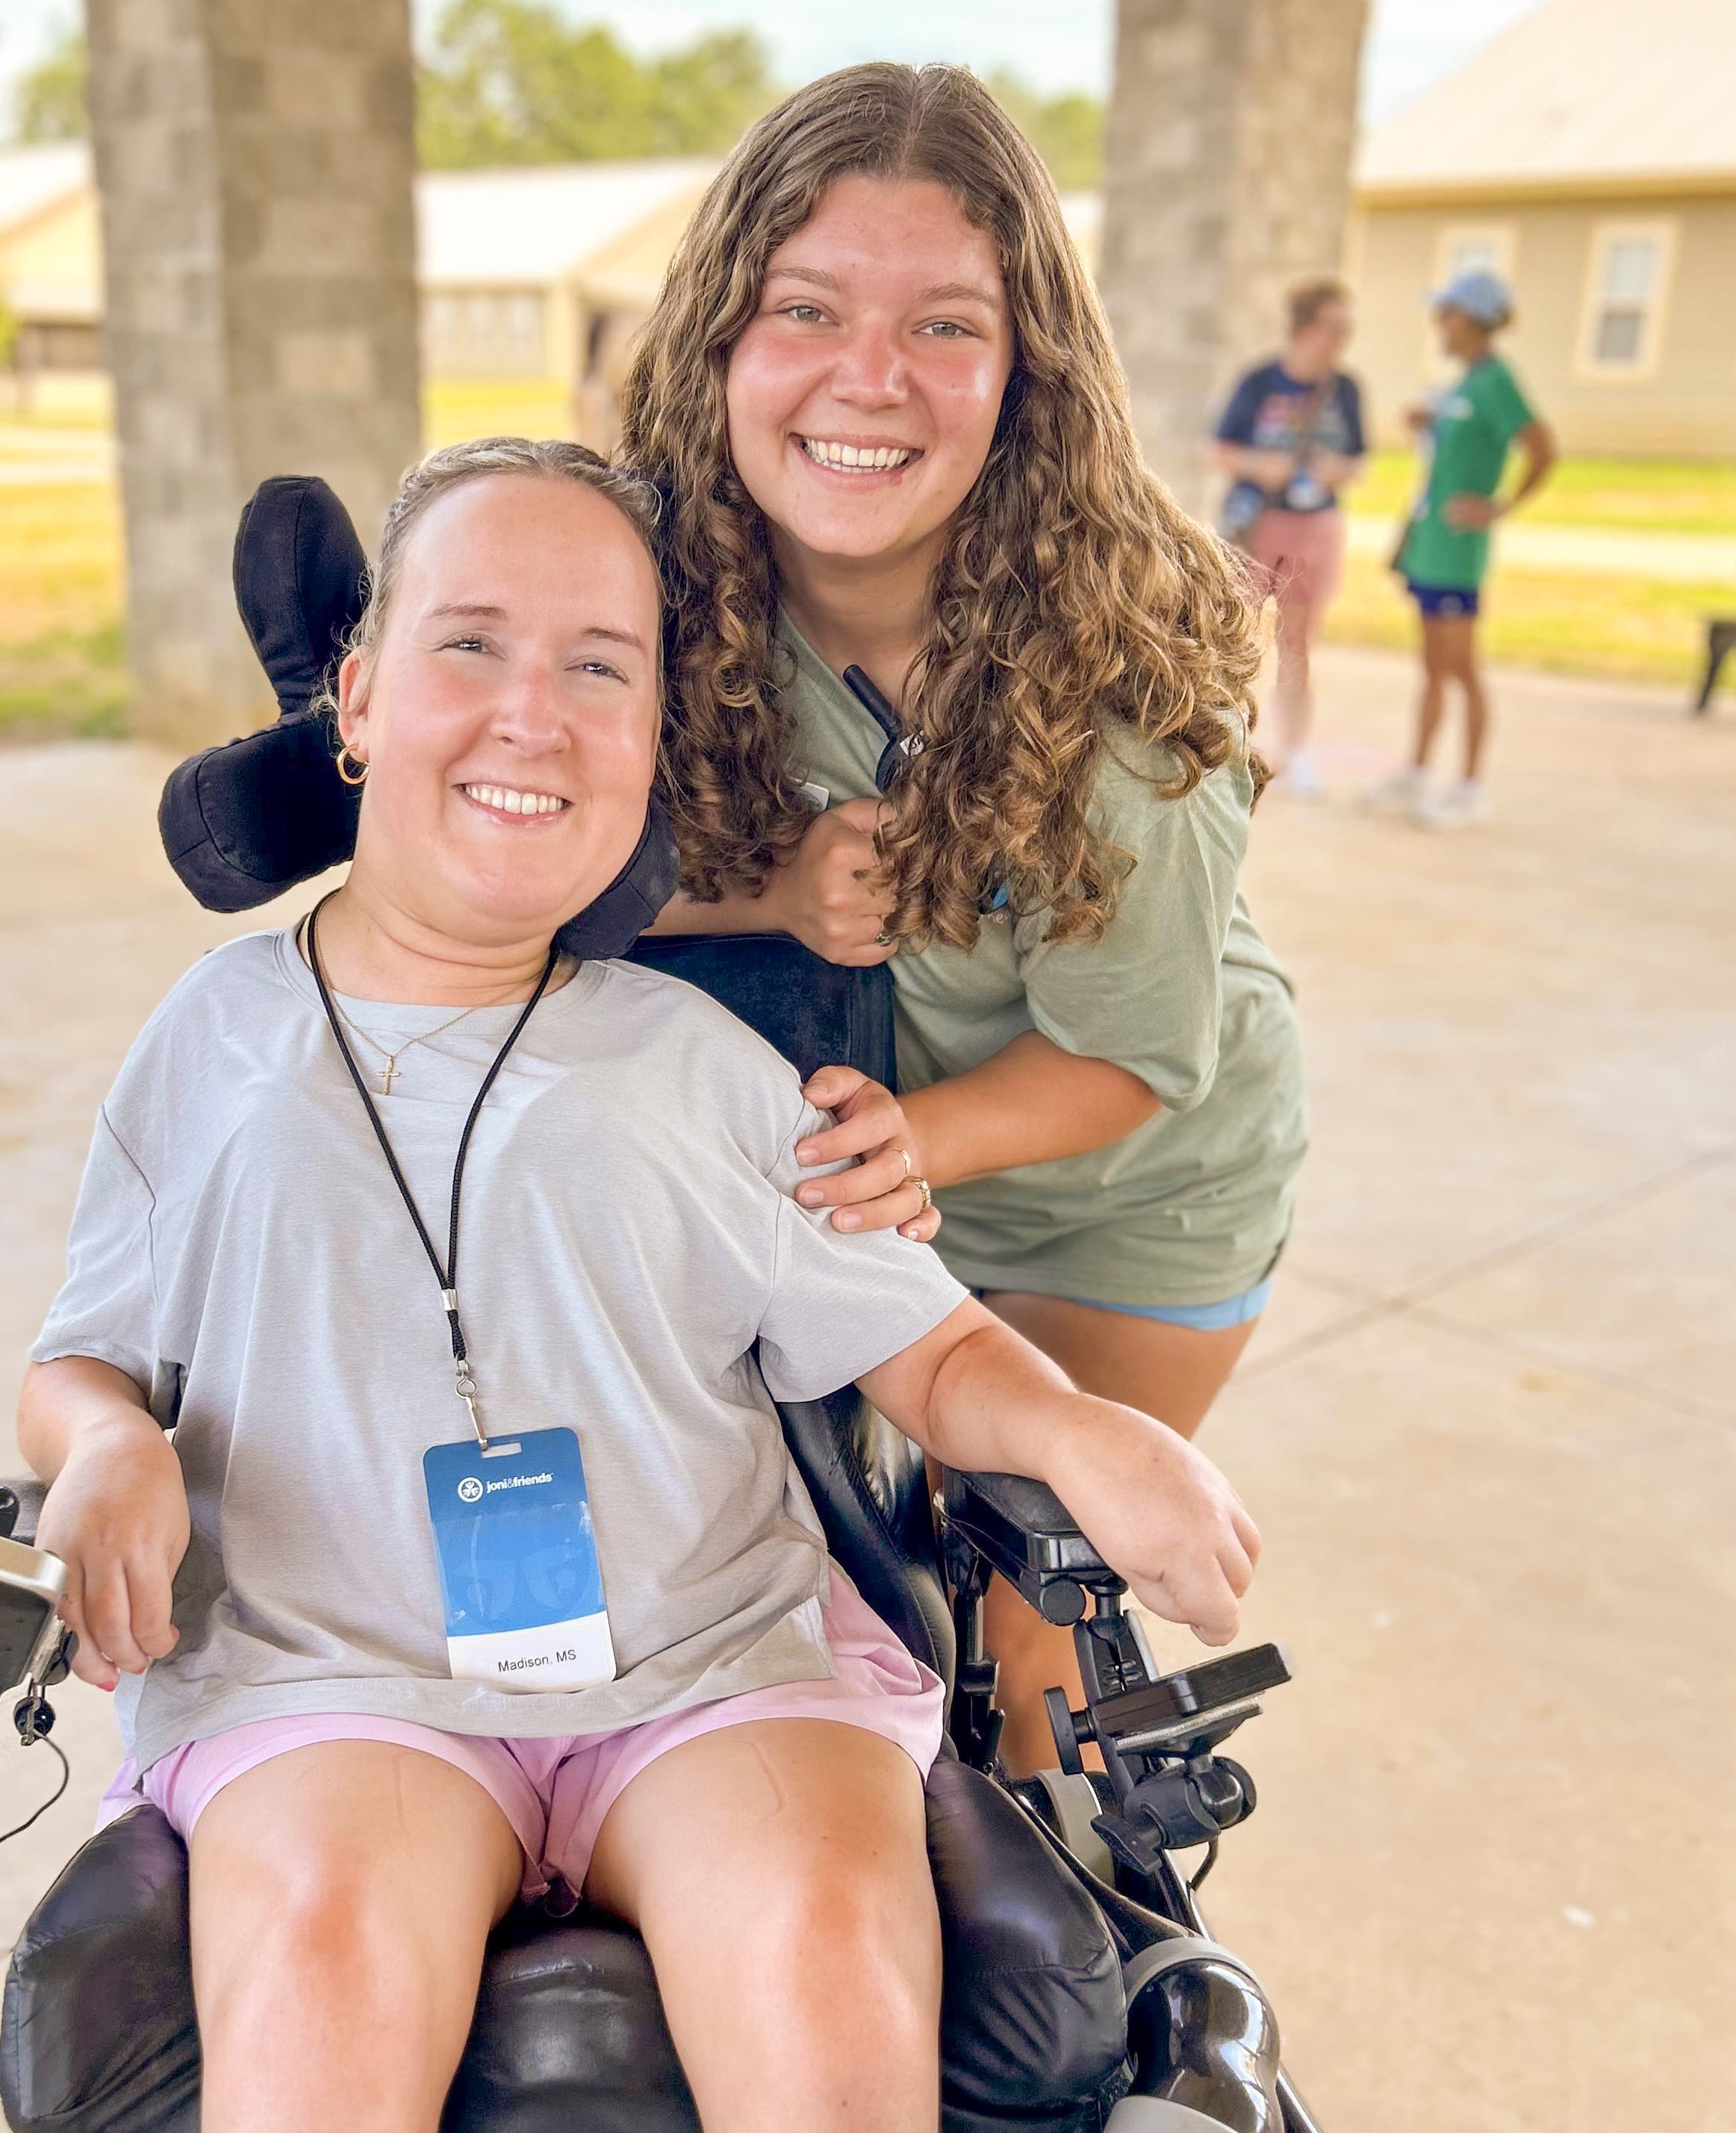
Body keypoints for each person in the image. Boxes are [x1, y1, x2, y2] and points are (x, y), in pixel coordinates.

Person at [20, 439, 1261, 2133]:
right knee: (319, 1957)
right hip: (334, 1667)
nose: (536, 709)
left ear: (652, 744)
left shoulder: (705, 1066)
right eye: (473, 645)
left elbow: (925, 1340)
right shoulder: (214, 1044)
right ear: (359, 694)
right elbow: (81, 1357)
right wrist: (105, 1447)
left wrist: (1084, 1433)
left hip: (706, 1659)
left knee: (822, 1933)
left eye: (600, 667)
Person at [617, 64, 1306, 1778]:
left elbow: (1133, 1060)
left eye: (944, 325)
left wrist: (905, 1145)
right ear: (721, 338)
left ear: (1027, 372)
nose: (870, 379)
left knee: (1012, 1598)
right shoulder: (655, 578)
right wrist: (763, 890)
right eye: (808, 309)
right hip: (857, 1171)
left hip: (1119, 1201)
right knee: (798, 1586)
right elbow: (542, 850)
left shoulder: (1121, 663)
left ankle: (1082, 1921)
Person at [1368, 267, 1558, 829]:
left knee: (1462, 668)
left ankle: (1470, 786)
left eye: (1446, 314)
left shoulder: (1498, 380)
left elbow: (1543, 449)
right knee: (1431, 666)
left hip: (1459, 554)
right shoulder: (1462, 382)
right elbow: (1449, 458)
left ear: (1473, 320)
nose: (1439, 325)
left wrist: (1499, 507)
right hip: (1430, 547)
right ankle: (1418, 770)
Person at [1211, 277, 1367, 799]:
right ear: (1305, 327)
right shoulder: (1259, 382)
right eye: (1334, 326)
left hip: (1315, 525)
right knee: (1232, 635)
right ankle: (1220, 743)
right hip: (1258, 522)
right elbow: (1219, 449)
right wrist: (1262, 464)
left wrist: (1335, 469)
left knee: (1297, 641)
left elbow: (1361, 459)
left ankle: (1293, 751)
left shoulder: (1346, 389)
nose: (1342, 337)